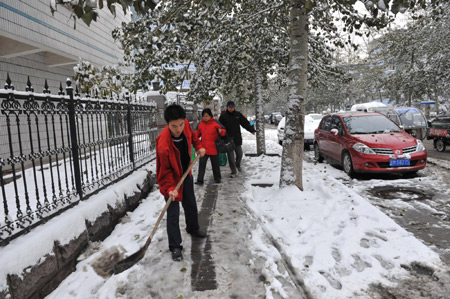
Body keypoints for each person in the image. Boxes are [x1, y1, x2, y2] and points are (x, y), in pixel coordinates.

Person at [156, 104, 207, 262]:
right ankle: (175, 246)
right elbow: (163, 172)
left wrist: (199, 147)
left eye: (180, 124)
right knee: (172, 213)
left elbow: (193, 137)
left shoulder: (185, 128)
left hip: (186, 173)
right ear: (167, 124)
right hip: (171, 181)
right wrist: (170, 189)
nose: (178, 129)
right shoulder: (163, 143)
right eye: (174, 126)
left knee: (190, 203)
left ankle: (193, 228)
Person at [219, 101, 256, 177]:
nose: (231, 108)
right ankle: (233, 171)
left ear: (234, 107)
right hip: (227, 139)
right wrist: (221, 137)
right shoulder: (223, 116)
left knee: (240, 154)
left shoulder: (238, 115)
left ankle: (237, 165)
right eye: (229, 107)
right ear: (227, 107)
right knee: (231, 157)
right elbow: (219, 127)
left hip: (237, 139)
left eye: (232, 107)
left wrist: (251, 130)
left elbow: (245, 123)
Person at [195, 108, 226, 184]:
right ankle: (200, 180)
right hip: (203, 149)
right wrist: (192, 139)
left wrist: (221, 131)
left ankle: (217, 178)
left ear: (210, 116)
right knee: (201, 165)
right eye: (204, 116)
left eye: (206, 116)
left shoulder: (215, 123)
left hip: (213, 148)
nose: (205, 118)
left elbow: (223, 131)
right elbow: (197, 134)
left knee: (215, 165)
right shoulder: (201, 124)